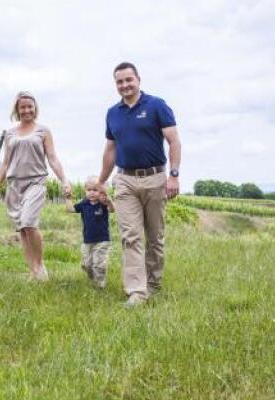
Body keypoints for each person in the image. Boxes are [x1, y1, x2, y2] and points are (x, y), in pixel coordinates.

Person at [98, 62, 182, 307]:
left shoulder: (157, 105)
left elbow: (174, 141)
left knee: (155, 237)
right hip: (124, 180)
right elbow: (110, 150)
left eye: (128, 80)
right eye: (119, 82)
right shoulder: (112, 113)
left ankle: (153, 283)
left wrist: (174, 175)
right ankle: (137, 291)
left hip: (155, 178)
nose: (124, 85)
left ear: (138, 80)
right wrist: (101, 181)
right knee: (130, 236)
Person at [0, 91, 71, 281]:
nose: (26, 110)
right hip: (14, 184)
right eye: (22, 107)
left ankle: (40, 266)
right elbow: (5, 163)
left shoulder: (43, 131)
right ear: (17, 110)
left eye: (30, 106)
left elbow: (52, 158)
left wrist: (64, 180)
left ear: (35, 108)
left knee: (29, 222)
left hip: (35, 182)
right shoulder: (10, 133)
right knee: (22, 229)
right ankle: (33, 270)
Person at [65, 176, 114, 289]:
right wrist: (68, 198)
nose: (92, 193)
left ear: (101, 191)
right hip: (87, 240)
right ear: (85, 190)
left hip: (102, 240)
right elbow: (70, 209)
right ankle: (93, 278)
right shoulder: (84, 203)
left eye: (95, 190)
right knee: (86, 265)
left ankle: (99, 285)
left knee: (99, 264)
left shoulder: (103, 203)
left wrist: (109, 201)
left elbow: (112, 210)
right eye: (89, 190)